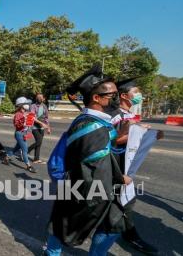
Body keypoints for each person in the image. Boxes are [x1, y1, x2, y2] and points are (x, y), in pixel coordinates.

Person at [45, 65, 129, 256]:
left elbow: (102, 151)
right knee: (64, 224)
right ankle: (51, 253)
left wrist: (119, 138)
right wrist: (119, 177)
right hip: (86, 186)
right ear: (96, 98)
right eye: (112, 95)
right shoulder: (90, 127)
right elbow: (95, 165)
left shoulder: (98, 123)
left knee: (112, 224)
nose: (118, 98)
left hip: (98, 185)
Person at [109, 77, 161, 255]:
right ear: (124, 95)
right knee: (125, 201)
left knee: (121, 201)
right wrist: (140, 133)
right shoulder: (117, 115)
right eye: (136, 92)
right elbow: (114, 141)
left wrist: (151, 135)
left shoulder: (130, 114)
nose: (139, 95)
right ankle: (129, 236)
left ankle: (122, 232)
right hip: (117, 166)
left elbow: (132, 138)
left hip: (127, 166)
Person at [7, 97, 36, 172]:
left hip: (23, 133)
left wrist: (30, 119)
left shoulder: (24, 113)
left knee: (16, 149)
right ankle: (28, 166)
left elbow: (29, 123)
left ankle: (6, 158)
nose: (27, 106)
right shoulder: (18, 114)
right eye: (25, 104)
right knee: (25, 149)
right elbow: (17, 125)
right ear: (21, 106)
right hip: (19, 134)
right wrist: (23, 121)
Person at [28, 93, 51, 164]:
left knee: (39, 143)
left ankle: (36, 159)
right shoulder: (33, 106)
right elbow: (32, 117)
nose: (40, 98)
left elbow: (46, 118)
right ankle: (26, 151)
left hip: (41, 128)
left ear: (43, 99)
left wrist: (48, 127)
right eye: (38, 97)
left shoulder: (44, 106)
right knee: (39, 141)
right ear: (36, 98)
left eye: (41, 97)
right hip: (34, 127)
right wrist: (41, 123)